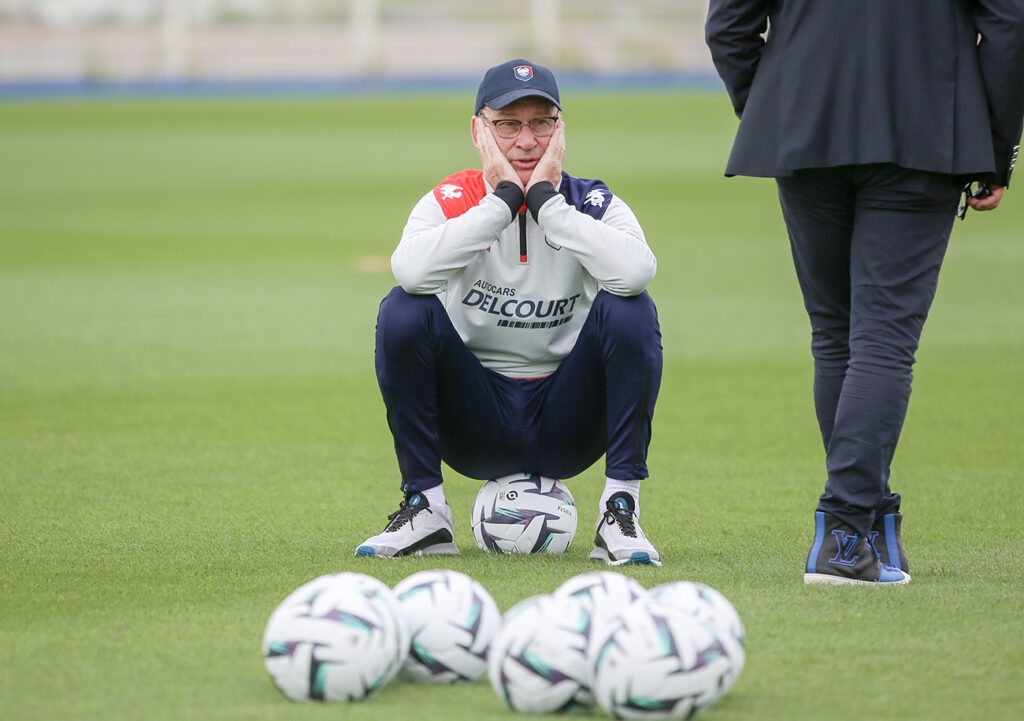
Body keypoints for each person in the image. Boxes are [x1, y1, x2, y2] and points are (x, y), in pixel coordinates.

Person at [705, 1, 1024, 584]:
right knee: (881, 339)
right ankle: (847, 533)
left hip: (805, 125)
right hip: (927, 130)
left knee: (836, 334)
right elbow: (1009, 24)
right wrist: (996, 149)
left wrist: (779, 110)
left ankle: (868, 525)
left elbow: (728, 27)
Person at [355, 59, 664, 566]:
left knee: (630, 307)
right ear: (479, 131)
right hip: (474, 420)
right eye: (507, 125)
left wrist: (546, 203)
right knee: (403, 310)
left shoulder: (591, 202)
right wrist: (500, 203)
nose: (526, 141)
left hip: (569, 419)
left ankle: (620, 510)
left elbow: (635, 274)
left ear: (560, 131)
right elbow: (409, 272)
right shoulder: (452, 200)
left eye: (542, 123)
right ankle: (426, 509)